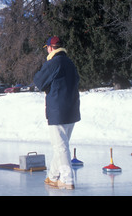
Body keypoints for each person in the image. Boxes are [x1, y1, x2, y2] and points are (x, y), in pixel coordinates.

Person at [34, 36, 81, 190]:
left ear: (50, 48)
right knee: (61, 145)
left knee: (61, 147)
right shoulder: (70, 63)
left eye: (47, 48)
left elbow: (39, 82)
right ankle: (53, 176)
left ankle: (67, 180)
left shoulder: (53, 63)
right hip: (71, 110)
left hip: (57, 111)